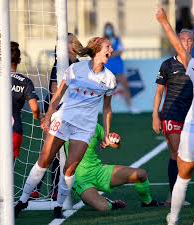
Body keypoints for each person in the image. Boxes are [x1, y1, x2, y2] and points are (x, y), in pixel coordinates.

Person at [15, 36, 117, 219]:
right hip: (64, 120)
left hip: (85, 128)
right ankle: (22, 200)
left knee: (69, 169)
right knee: (44, 160)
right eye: (107, 47)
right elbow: (58, 94)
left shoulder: (110, 79)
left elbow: (107, 108)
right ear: (96, 49)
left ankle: (58, 205)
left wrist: (107, 134)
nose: (111, 50)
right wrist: (48, 116)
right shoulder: (75, 69)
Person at [156, 6, 194, 225]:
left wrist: (164, 21)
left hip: (193, 130)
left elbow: (179, 48)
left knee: (183, 178)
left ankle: (173, 219)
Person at [0, 42, 40, 213]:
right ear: (18, 60)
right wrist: (38, 118)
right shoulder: (25, 81)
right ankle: (6, 207)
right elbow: (35, 108)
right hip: (15, 132)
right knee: (5, 174)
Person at [64, 123, 161, 211]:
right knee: (104, 207)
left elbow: (114, 144)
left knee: (140, 174)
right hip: (80, 180)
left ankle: (148, 202)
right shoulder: (65, 127)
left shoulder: (93, 125)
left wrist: (115, 139)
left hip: (98, 171)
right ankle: (110, 203)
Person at [30, 33, 81, 200]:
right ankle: (36, 188)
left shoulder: (78, 64)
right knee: (51, 151)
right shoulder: (60, 64)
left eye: (72, 40)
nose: (74, 43)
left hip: (68, 111)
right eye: (70, 41)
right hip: (56, 109)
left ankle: (54, 190)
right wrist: (53, 114)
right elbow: (54, 89)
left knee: (61, 153)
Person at [152, 29, 194, 205]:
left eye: (189, 40)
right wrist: (155, 115)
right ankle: (174, 197)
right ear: (176, 42)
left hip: (191, 118)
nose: (186, 43)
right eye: (182, 40)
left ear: (193, 43)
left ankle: (174, 197)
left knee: (189, 157)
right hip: (170, 114)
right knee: (177, 155)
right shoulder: (167, 65)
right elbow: (159, 92)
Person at [103, 22, 132, 111]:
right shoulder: (103, 40)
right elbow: (104, 53)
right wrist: (112, 54)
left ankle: (130, 107)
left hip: (118, 66)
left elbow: (120, 50)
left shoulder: (117, 39)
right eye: (107, 28)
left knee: (125, 86)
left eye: (110, 28)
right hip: (108, 67)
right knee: (105, 89)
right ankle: (106, 108)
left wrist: (111, 54)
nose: (109, 30)